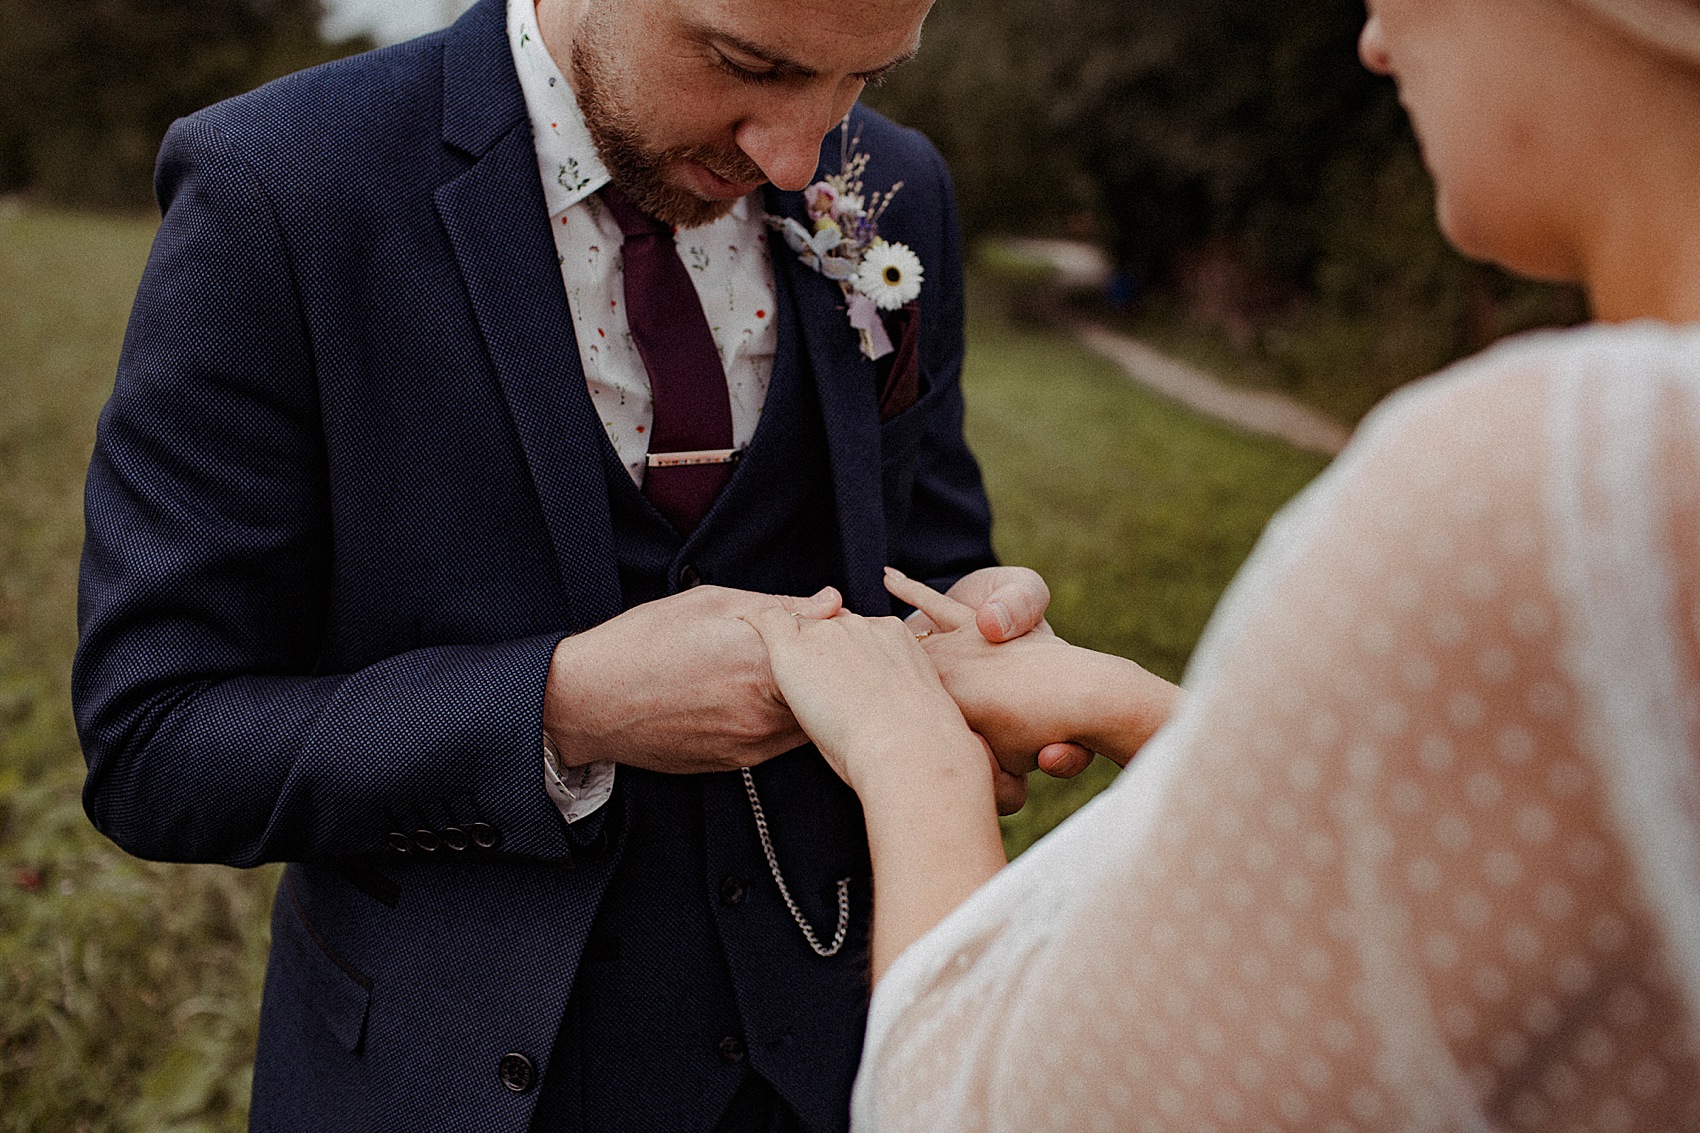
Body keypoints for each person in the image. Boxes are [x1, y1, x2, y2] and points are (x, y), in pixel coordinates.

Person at [69, 0, 1066, 1129]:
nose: (797, 154)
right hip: (453, 1073)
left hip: (837, 1053)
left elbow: (924, 541)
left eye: (862, 81)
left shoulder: (899, 187)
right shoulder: (279, 185)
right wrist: (562, 707)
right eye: (744, 64)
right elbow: (155, 736)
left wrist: (971, 618)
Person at [746, 0, 1700, 1127]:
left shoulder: (1565, 490)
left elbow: (961, 1107)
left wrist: (907, 753)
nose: (1373, 37)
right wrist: (1146, 710)